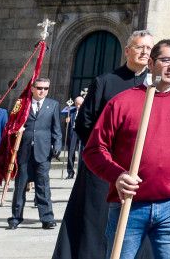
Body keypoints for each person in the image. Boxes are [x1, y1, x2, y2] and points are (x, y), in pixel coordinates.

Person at [84, 39, 170, 259]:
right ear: (151, 62)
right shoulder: (122, 102)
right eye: (166, 60)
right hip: (129, 204)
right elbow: (94, 150)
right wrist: (117, 176)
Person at [53, 31, 153, 259]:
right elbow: (84, 123)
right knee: (95, 221)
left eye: (149, 48)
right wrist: (104, 152)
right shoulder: (105, 81)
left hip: (138, 167)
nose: (145, 52)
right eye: (139, 47)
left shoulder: (154, 86)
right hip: (103, 166)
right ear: (127, 50)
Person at [7, 77, 62, 229]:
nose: (42, 91)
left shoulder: (53, 105)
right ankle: (16, 217)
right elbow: (11, 124)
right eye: (39, 88)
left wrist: (57, 144)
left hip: (43, 151)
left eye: (45, 88)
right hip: (24, 151)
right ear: (32, 88)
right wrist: (16, 130)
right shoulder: (23, 104)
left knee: (43, 185)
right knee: (20, 186)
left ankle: (47, 218)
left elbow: (56, 129)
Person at [63, 95, 83, 179]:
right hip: (73, 133)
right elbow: (65, 126)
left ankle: (81, 172)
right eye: (76, 104)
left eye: (80, 104)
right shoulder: (71, 112)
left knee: (82, 153)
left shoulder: (86, 111)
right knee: (71, 153)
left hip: (82, 133)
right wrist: (66, 122)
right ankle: (70, 172)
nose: (78, 106)